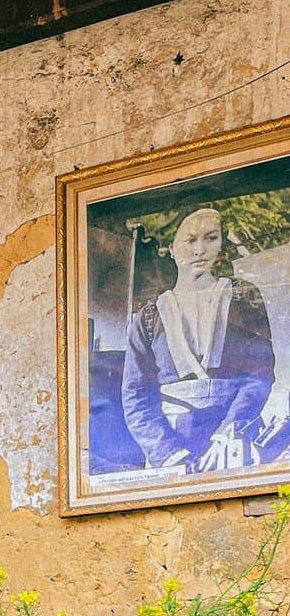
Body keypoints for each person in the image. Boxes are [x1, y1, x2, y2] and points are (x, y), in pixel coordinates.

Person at [120, 204, 278, 476]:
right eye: (190, 240)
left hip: (233, 440)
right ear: (171, 248)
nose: (200, 250)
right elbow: (136, 396)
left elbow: (259, 375)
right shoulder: (148, 316)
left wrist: (230, 434)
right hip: (171, 445)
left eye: (211, 238)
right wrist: (169, 454)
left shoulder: (243, 298)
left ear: (222, 244)